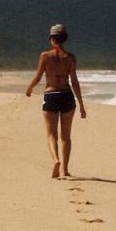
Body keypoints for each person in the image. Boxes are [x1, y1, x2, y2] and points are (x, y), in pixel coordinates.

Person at [25, 23, 87, 178]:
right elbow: (74, 82)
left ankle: (55, 160)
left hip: (51, 95)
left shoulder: (45, 56)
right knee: (66, 136)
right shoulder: (71, 58)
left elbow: (39, 76)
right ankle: (64, 170)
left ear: (51, 39)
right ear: (65, 39)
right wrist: (81, 105)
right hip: (67, 96)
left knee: (51, 134)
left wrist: (30, 88)